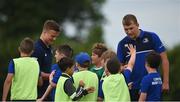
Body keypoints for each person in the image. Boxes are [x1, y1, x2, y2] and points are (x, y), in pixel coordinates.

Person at [117, 14, 169, 100]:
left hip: (153, 85)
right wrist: (122, 68)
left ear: (137, 25)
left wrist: (166, 82)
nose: (129, 32)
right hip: (133, 88)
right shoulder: (122, 44)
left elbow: (164, 59)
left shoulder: (152, 37)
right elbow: (118, 68)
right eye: (126, 29)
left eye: (131, 28)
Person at [31, 19, 61, 100]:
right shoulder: (36, 49)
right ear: (44, 32)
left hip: (47, 93)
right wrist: (54, 76)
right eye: (52, 36)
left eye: (56, 37)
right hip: (37, 95)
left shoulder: (49, 48)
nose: (54, 39)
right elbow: (35, 73)